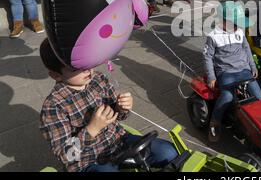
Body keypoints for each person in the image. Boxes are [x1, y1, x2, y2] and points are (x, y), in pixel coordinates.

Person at [39, 38, 178, 172]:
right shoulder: (54, 107)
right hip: (88, 160)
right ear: (56, 75)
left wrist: (121, 108)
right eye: (76, 68)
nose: (87, 69)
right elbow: (66, 155)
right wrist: (92, 128)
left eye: (87, 61)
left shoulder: (98, 79)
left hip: (118, 141)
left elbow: (116, 115)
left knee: (168, 152)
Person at [204, 2, 261, 142]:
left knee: (258, 95)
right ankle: (215, 122)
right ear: (223, 21)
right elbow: (207, 57)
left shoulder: (240, 32)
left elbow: (247, 50)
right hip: (226, 72)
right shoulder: (213, 36)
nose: (237, 26)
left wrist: (252, 67)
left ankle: (255, 123)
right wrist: (211, 76)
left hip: (243, 70)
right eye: (235, 23)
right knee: (227, 97)